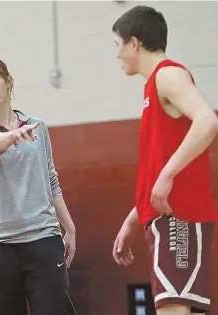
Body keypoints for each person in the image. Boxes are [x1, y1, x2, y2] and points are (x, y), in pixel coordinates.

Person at [111, 6, 218, 315]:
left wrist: (167, 174)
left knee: (172, 310)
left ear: (134, 43)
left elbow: (208, 121)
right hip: (170, 219)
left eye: (117, 46)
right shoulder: (153, 86)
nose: (117, 55)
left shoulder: (168, 75)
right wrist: (132, 220)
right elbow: (157, 170)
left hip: (179, 219)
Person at [0, 54, 77, 315]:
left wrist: (69, 227)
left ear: (8, 81)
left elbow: (51, 180)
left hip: (42, 237)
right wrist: (12, 135)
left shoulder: (38, 127)